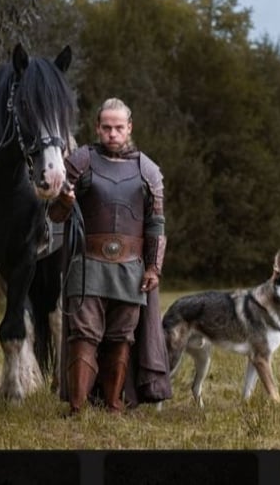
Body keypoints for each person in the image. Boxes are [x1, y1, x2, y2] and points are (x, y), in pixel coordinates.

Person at [49, 97, 171, 415]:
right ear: (97, 128)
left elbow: (156, 223)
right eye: (107, 128)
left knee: (121, 337)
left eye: (119, 127)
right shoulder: (80, 161)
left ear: (129, 128)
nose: (112, 134)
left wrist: (154, 268)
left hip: (131, 268)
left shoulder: (148, 170)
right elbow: (56, 215)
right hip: (87, 264)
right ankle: (77, 407)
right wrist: (64, 199)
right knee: (83, 335)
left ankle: (114, 403)